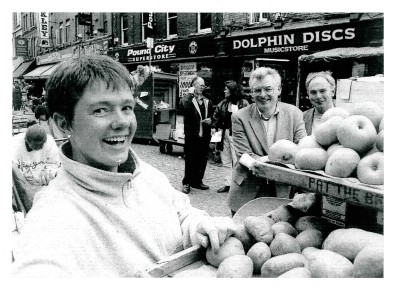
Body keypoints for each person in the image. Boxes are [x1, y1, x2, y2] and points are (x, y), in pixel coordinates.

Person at [12, 55, 236, 277]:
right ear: (63, 123)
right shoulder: (53, 217)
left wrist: (200, 227)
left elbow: (182, 214)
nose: (122, 122)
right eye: (100, 110)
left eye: (127, 107)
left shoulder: (146, 173)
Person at [227, 67, 307, 215]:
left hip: (282, 188)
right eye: (257, 90)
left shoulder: (294, 114)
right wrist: (279, 161)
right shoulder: (239, 117)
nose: (263, 95)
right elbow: (244, 155)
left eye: (268, 89)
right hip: (247, 190)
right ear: (251, 93)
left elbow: (303, 150)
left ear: (279, 90)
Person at [12, 124, 61, 212]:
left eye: (42, 145)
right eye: (36, 146)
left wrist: (49, 173)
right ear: (26, 141)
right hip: (25, 186)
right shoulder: (14, 144)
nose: (40, 148)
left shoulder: (49, 141)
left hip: (45, 185)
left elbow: (54, 162)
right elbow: (13, 169)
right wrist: (24, 183)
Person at [212, 80, 249, 193]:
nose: (224, 91)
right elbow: (216, 117)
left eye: (226, 89)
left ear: (232, 91)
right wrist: (214, 128)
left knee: (237, 160)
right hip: (224, 134)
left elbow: (249, 119)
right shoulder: (223, 104)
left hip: (237, 135)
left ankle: (238, 184)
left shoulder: (244, 103)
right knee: (226, 160)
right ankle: (227, 184)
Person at [179, 76, 214, 194]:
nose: (202, 88)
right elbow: (183, 108)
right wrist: (189, 94)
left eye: (203, 86)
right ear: (193, 86)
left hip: (204, 135)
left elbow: (213, 116)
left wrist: (211, 120)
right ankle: (187, 183)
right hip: (191, 135)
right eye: (200, 85)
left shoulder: (207, 101)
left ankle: (197, 181)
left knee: (202, 159)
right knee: (190, 159)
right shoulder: (188, 100)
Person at [303, 71, 336, 135]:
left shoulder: (344, 117)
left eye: (322, 91)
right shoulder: (301, 118)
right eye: (313, 92)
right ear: (308, 94)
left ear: (332, 92)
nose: (318, 96)